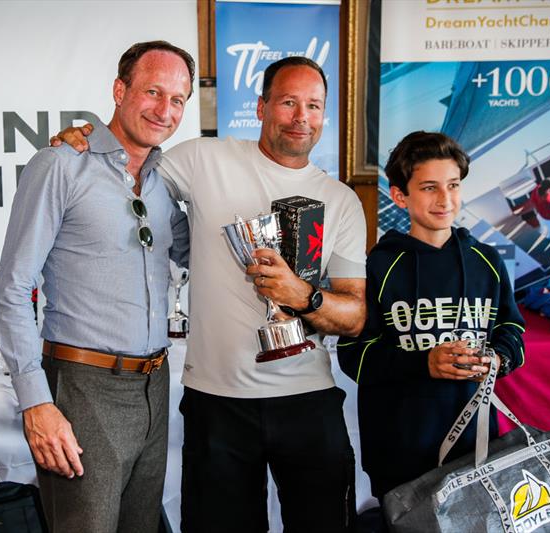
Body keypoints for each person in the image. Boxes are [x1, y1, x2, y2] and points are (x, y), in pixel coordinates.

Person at [55, 56, 367, 532]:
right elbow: (130, 164)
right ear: (261, 107)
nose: (301, 116)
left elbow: (355, 316)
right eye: (288, 102)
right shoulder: (205, 159)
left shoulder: (342, 200)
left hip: (308, 400)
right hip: (216, 404)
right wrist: (87, 138)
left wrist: (303, 295)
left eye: (314, 105)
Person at [0, 40, 193, 533]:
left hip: (155, 384)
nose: (164, 110)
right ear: (120, 90)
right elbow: (12, 291)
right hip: (83, 389)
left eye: (178, 100)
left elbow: (199, 256)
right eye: (152, 92)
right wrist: (36, 403)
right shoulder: (60, 164)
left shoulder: (166, 180)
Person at [337, 131, 525, 508]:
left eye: (453, 185)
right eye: (429, 188)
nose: (445, 199)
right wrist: (423, 362)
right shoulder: (378, 265)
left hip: (473, 447)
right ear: (400, 195)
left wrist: (498, 359)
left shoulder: (487, 261)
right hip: (398, 449)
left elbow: (512, 331)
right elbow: (353, 355)